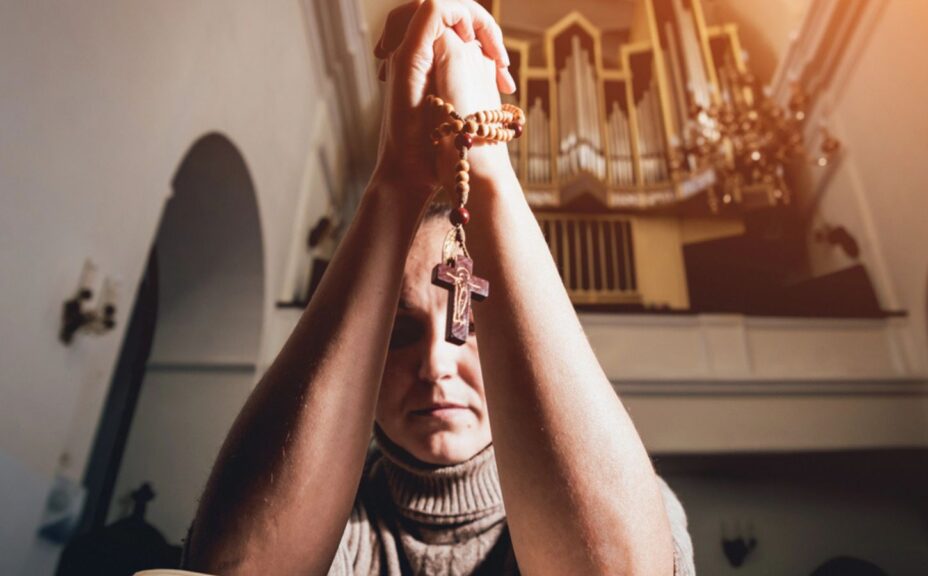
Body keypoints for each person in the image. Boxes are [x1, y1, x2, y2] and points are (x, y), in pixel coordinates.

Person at [183, 1, 695, 574]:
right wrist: (394, 181)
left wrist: (489, 169)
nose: (435, 363)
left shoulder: (641, 503)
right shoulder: (342, 523)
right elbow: (236, 567)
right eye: (399, 330)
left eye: (468, 324)